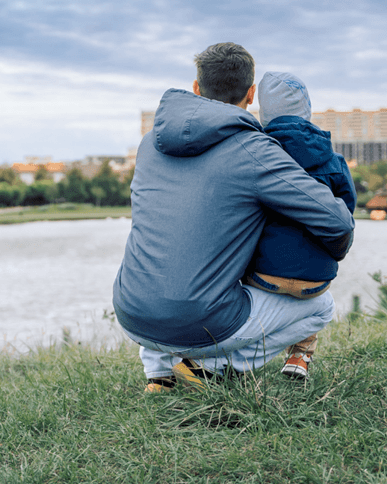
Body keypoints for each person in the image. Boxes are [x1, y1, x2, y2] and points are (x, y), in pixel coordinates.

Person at [112, 42, 354, 392]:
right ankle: (210, 368)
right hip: (196, 321)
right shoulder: (253, 150)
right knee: (321, 307)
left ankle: (161, 372)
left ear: (196, 87)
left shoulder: (150, 144)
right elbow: (337, 221)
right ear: (251, 94)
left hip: (131, 312)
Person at [244, 71, 356, 379]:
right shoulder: (332, 160)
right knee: (308, 289)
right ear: (307, 109)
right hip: (317, 281)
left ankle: (239, 355)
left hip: (263, 278)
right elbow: (345, 212)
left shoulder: (258, 154)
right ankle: (301, 355)